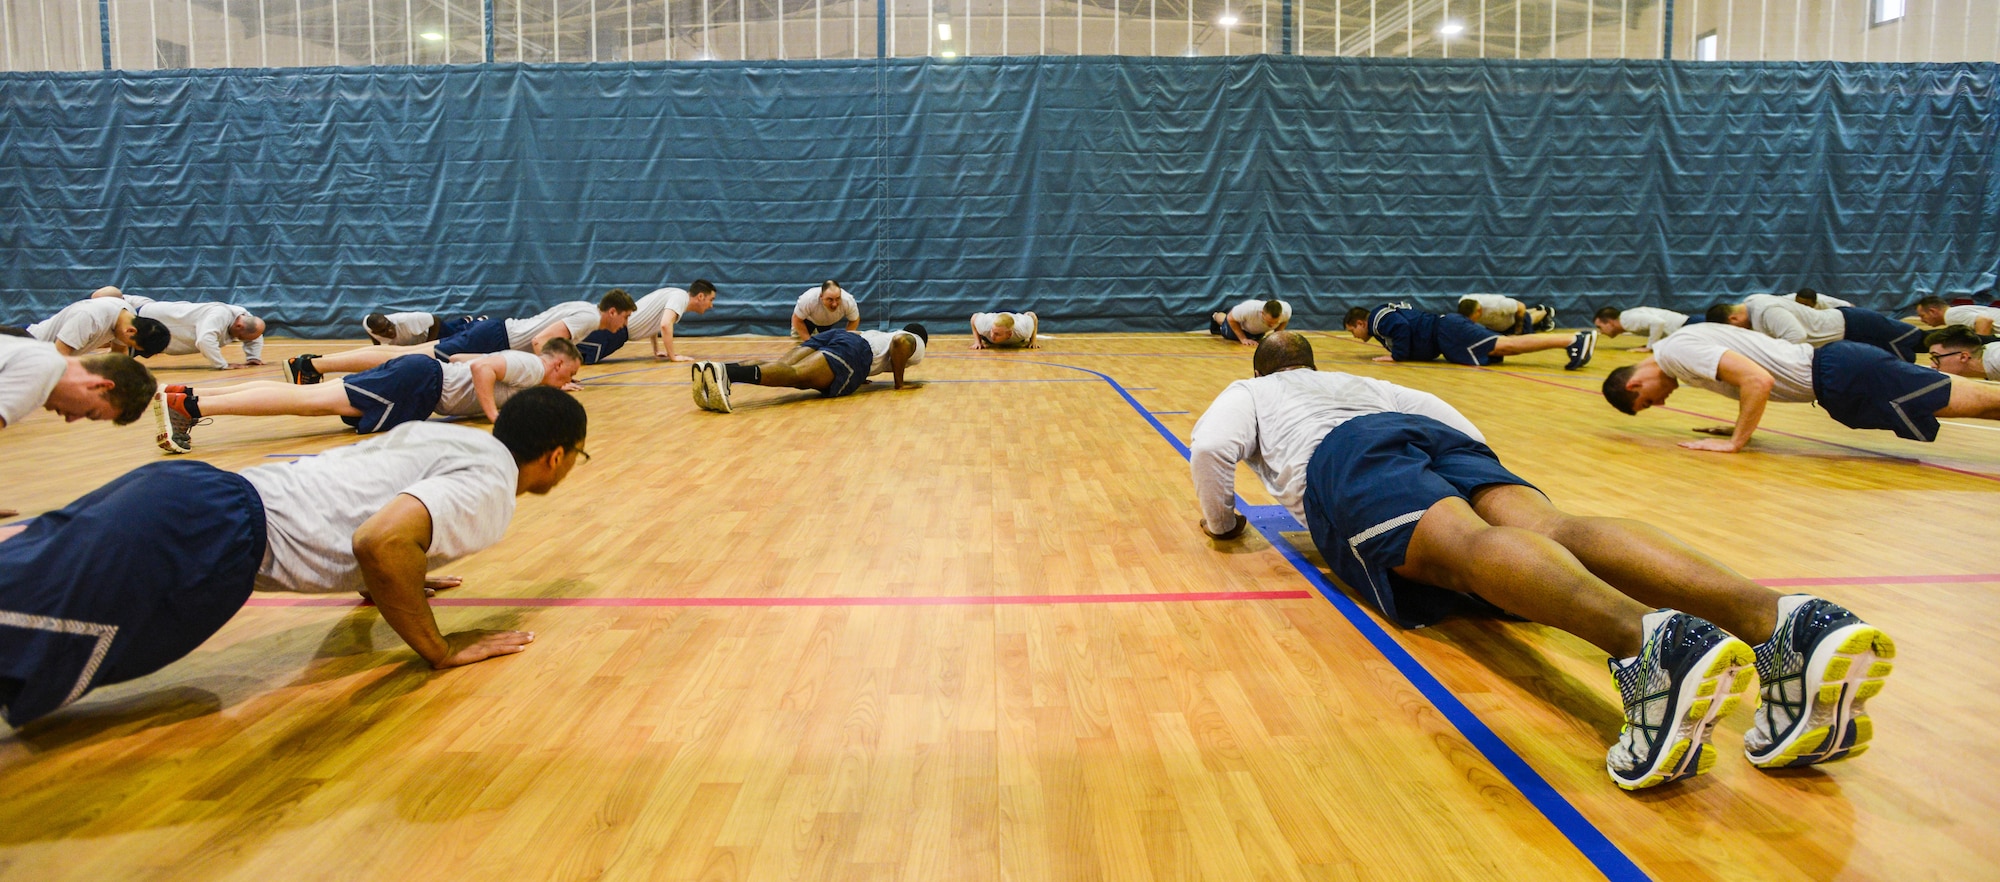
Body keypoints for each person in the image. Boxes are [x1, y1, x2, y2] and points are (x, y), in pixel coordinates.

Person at [1192, 332, 1895, 789]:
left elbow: (1211, 450)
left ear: (1261, 367)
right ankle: (1785, 622)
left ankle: (1648, 643)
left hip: (1346, 458)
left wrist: (1223, 525)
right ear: (1311, 361)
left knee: (1463, 549)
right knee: (1552, 525)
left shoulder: (1251, 390)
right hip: (1435, 437)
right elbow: (1457, 425)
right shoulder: (1364, 382)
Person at [0, 387, 589, 727]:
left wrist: (395, 578)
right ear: (556, 457)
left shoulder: (455, 438)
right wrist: (439, 648)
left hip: (187, 497)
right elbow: (381, 542)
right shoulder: (494, 486)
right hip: (207, 534)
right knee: (20, 645)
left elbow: (366, 494)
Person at [1601, 322, 2000, 451]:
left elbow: (1759, 381)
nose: (1663, 401)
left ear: (1636, 383)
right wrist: (1737, 426)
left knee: (1979, 401)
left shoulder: (1675, 354)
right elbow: (1753, 378)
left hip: (1843, 374)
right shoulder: (1678, 353)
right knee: (1979, 406)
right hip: (1837, 380)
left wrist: (1735, 442)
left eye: (1650, 401)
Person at [152, 339, 584, 453]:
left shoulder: (525, 368)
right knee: (308, 402)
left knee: (306, 398)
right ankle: (190, 407)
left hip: (421, 384)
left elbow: (471, 357)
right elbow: (481, 367)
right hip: (419, 384)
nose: (565, 382)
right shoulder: (532, 366)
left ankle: (188, 394)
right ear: (558, 363)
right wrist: (493, 415)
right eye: (570, 375)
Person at [287, 290, 633, 381]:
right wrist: (554, 374)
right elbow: (544, 343)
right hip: (494, 339)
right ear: (612, 311)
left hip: (494, 334)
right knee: (406, 359)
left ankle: (314, 365)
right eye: (626, 317)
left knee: (410, 355)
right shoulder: (588, 317)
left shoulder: (584, 308)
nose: (623, 326)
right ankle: (313, 366)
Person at [691, 324, 926, 413]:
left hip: (844, 337)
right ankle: (728, 374)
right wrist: (900, 384)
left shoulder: (885, 333)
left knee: (782, 365)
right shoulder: (915, 341)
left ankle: (718, 369)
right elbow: (901, 344)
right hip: (856, 351)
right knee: (796, 376)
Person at [1344, 303, 1595, 370]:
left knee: (1506, 346)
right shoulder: (1382, 316)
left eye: (1352, 330)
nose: (1355, 336)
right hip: (1447, 332)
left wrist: (1397, 357)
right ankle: (1575, 340)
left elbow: (1402, 328)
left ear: (1359, 322)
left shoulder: (1378, 319)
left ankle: (1573, 340)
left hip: (1448, 331)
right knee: (1504, 348)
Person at [0, 334, 157, 430]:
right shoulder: (43, 369)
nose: (70, 419)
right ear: (101, 385)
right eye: (90, 412)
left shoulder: (37, 351)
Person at [1713, 294, 1920, 363]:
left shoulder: (1766, 311)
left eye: (1734, 328)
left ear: (1733, 317)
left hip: (1857, 326)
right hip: (1847, 332)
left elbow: (1797, 336)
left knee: (1919, 342)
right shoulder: (1752, 301)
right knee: (1905, 355)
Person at [574, 280, 719, 363]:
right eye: (711, 300)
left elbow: (655, 321)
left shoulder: (676, 295)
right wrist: (673, 356)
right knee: (572, 354)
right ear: (700, 296)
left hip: (619, 334)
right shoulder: (680, 298)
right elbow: (664, 324)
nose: (711, 305)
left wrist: (656, 350)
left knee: (577, 355)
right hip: (614, 331)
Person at [128, 300, 267, 370]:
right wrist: (222, 365)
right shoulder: (219, 314)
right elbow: (205, 340)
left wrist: (253, 357)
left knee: (120, 359)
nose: (240, 340)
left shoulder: (245, 318)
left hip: (159, 336)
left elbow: (254, 335)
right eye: (241, 337)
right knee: (113, 351)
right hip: (146, 322)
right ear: (239, 326)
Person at [24, 296, 171, 358]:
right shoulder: (90, 318)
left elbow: (118, 353)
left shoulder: (128, 315)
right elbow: (59, 356)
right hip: (24, 345)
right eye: (130, 343)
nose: (126, 344)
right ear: (131, 331)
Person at [1592, 306, 1691, 352]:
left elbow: (1658, 323)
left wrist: (1649, 347)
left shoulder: (1628, 321)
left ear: (1610, 322)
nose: (1601, 331)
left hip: (1689, 325)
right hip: (1686, 326)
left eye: (1600, 327)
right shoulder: (1626, 319)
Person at [1923, 326, 1999, 381]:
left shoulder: (1996, 359)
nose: (1932, 365)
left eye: (1936, 357)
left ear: (1963, 357)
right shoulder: (1989, 363)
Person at [362, 312, 483, 346]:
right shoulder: (370, 325)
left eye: (389, 325)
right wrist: (377, 348)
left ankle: (479, 321)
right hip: (417, 339)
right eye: (383, 331)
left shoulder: (406, 320)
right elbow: (372, 335)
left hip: (431, 333)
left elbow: (434, 320)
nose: (389, 331)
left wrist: (430, 344)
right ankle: (464, 320)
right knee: (453, 327)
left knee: (458, 335)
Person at [792, 281, 861, 339]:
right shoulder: (808, 299)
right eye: (830, 299)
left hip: (827, 323)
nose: (834, 304)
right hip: (806, 322)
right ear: (821, 296)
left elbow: (854, 320)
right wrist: (809, 342)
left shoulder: (848, 301)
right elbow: (796, 319)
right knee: (798, 343)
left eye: (837, 299)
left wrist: (846, 338)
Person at [1457, 294, 1556, 335]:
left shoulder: (1497, 305)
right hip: (1496, 323)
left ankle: (1545, 312)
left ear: (1478, 311)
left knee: (1528, 320)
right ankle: (1537, 308)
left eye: (1471, 319)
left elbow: (1521, 307)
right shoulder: (1464, 302)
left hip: (1511, 319)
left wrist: (1517, 331)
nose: (1470, 321)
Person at [1209, 298, 1292, 345]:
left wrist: (1276, 337)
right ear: (1262, 313)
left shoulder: (1286, 311)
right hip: (1239, 327)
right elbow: (1231, 318)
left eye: (1275, 322)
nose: (1272, 325)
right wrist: (1243, 339)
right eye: (1269, 322)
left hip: (1256, 332)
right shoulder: (1249, 308)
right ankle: (1215, 315)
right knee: (1225, 321)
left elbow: (1284, 321)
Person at [1913, 295, 2000, 336]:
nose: (1921, 320)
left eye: (1922, 316)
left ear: (1932, 311)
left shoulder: (1951, 315)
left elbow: (1984, 321)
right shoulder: (1954, 312)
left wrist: (1981, 349)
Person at [969, 311, 1039, 349]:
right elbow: (974, 317)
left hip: (1018, 321)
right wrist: (977, 342)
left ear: (1009, 334)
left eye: (997, 334)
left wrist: (1033, 341)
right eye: (992, 331)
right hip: (989, 330)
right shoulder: (985, 326)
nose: (992, 336)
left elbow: (1032, 315)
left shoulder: (1025, 330)